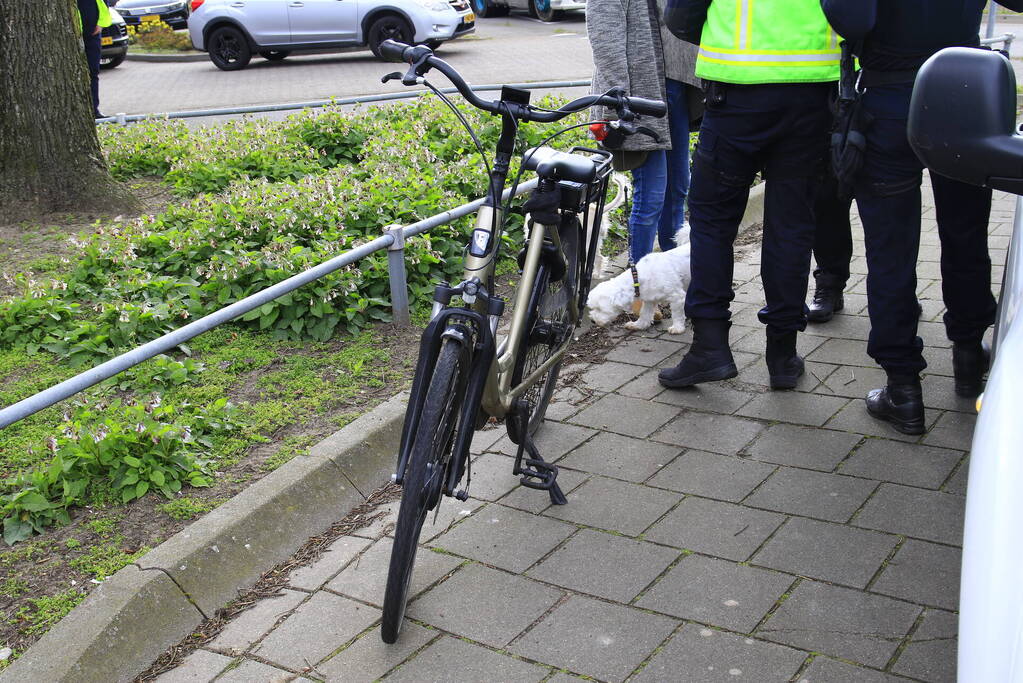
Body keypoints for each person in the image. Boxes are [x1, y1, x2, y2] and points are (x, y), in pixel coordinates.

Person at [821, 0, 1023, 434]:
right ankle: (968, 355)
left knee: (890, 250)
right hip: (963, 99)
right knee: (966, 233)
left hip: (889, 101)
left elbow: (853, 19)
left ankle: (904, 389)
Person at [658, 0, 840, 390]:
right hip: (812, 94)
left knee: (711, 224)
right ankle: (783, 357)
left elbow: (681, 16)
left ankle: (710, 347)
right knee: (791, 228)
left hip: (735, 93)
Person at [587, 0, 696, 317]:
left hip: (671, 89)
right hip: (638, 98)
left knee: (677, 190)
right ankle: (640, 294)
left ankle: (676, 282)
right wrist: (619, 99)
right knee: (651, 196)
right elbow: (606, 40)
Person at [76, 0, 112, 119]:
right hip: (72, 33)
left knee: (93, 72)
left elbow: (103, 3)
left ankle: (93, 110)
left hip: (93, 33)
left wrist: (101, 24)